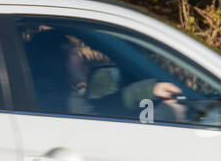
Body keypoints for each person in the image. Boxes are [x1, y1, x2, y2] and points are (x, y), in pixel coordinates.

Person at [24, 27, 188, 122]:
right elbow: (120, 140)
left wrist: (148, 91)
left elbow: (98, 108)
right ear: (57, 58)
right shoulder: (63, 102)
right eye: (74, 51)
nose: (82, 57)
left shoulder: (49, 97)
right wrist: (168, 113)